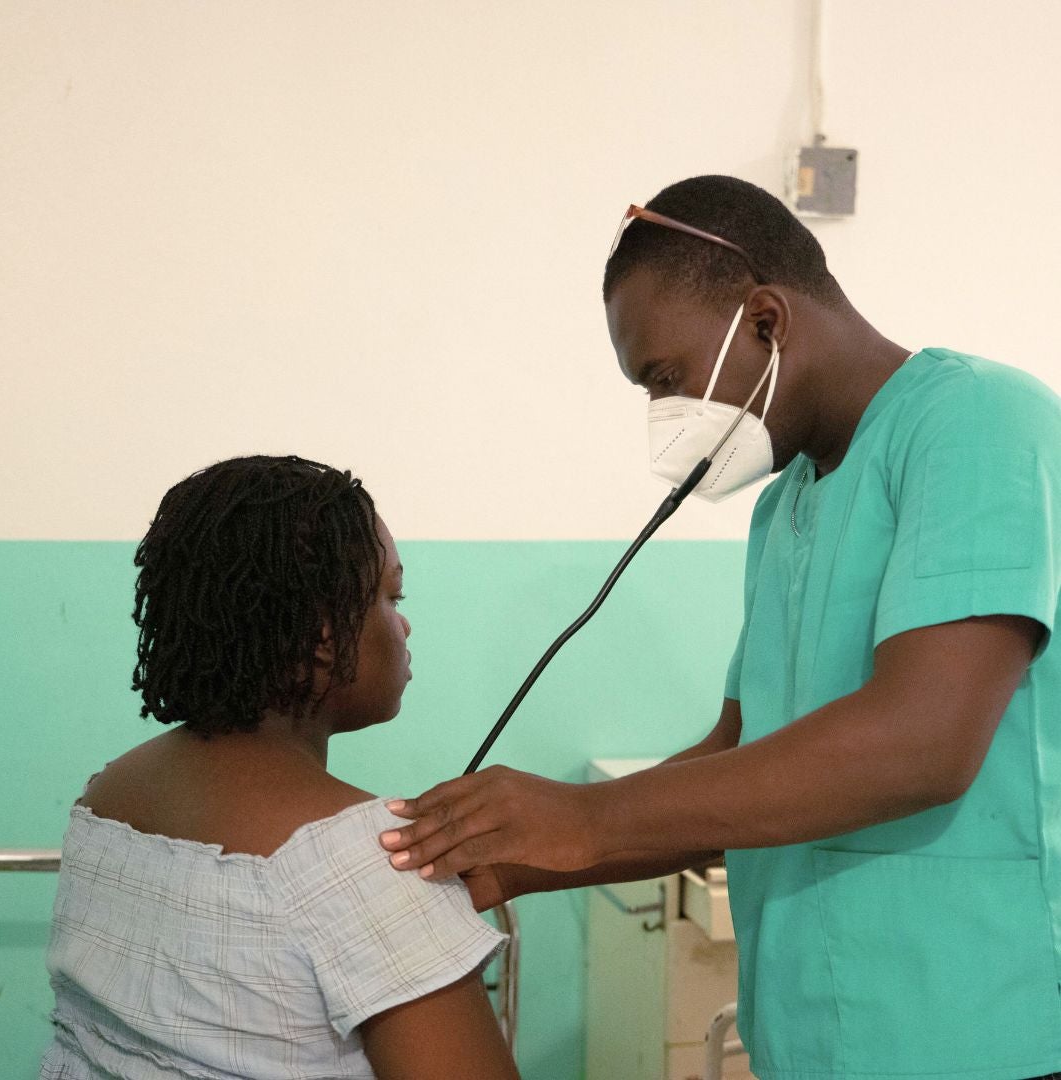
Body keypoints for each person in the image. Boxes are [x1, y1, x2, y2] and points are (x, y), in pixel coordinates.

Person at [379, 177, 1061, 1080]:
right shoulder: (785, 508)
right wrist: (520, 857)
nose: (665, 416)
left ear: (767, 320)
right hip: (812, 1040)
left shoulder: (975, 420)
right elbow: (741, 751)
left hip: (974, 1036)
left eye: (665, 378)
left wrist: (588, 819)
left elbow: (924, 742)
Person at [40, 455, 518, 1080]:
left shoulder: (110, 794)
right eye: (388, 596)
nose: (402, 623)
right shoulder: (372, 865)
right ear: (324, 631)